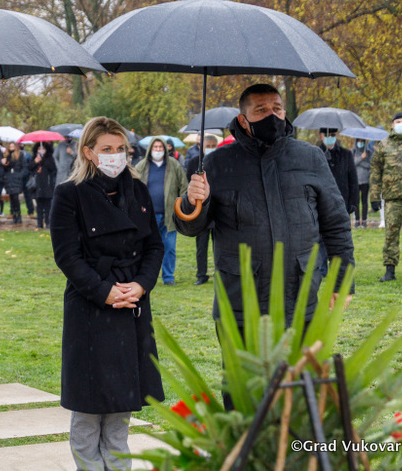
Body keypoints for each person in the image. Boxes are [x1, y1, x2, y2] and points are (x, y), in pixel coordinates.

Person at [176, 84, 354, 408]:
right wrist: (192, 201)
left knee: (301, 398)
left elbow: (336, 223)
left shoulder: (310, 158)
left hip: (301, 298)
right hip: (240, 303)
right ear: (243, 120)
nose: (272, 115)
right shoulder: (216, 164)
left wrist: (343, 280)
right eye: (261, 110)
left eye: (277, 108)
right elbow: (191, 227)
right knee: (243, 398)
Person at [50, 116, 164, 471]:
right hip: (91, 307)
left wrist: (141, 285)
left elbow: (154, 246)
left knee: (121, 406)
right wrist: (105, 292)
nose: (116, 155)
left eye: (121, 148)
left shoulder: (138, 191)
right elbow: (67, 256)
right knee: (88, 408)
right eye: (107, 149)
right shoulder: (69, 194)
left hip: (131, 303)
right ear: (88, 152)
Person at [369, 112, 402, 282]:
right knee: (391, 234)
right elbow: (375, 171)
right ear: (392, 124)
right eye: (398, 121)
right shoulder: (384, 145)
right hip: (392, 198)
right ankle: (389, 270)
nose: (401, 124)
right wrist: (374, 196)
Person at [135, 136, 188, 286]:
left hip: (169, 215)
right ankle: (144, 275)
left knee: (169, 247)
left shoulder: (174, 165)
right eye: (155, 147)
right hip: (146, 216)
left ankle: (168, 277)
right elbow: (132, 185)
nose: (157, 150)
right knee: (145, 247)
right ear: (150, 149)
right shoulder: (142, 165)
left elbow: (184, 186)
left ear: (165, 149)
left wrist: (180, 205)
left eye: (160, 147)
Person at [184, 134, 218, 285]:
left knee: (219, 245)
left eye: (213, 146)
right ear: (202, 147)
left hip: (218, 209)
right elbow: (189, 181)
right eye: (208, 146)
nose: (210, 149)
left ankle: (219, 272)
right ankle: (201, 274)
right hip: (201, 209)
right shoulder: (194, 162)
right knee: (201, 246)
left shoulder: (220, 161)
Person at [28, 141, 57, 228]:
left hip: (47, 184)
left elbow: (53, 169)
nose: (41, 150)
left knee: (47, 205)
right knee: (39, 205)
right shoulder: (34, 157)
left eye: (43, 148)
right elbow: (29, 168)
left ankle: (47, 222)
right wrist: (35, 162)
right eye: (39, 148)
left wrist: (43, 160)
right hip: (37, 185)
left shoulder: (49, 158)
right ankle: (39, 223)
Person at [2, 142, 25, 224]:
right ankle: (14, 215)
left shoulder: (20, 155)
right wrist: (4, 164)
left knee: (15, 197)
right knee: (11, 198)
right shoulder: (6, 156)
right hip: (9, 178)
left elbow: (24, 167)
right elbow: (5, 169)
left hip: (17, 178)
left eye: (13, 146)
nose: (11, 148)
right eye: (10, 146)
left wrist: (20, 175)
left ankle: (18, 215)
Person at [353, 138, 373, 228]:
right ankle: (357, 220)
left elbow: (370, 165)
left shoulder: (368, 152)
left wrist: (359, 161)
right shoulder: (352, 152)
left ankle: (364, 220)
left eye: (362, 141)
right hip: (355, 181)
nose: (360, 143)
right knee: (356, 202)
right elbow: (352, 164)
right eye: (359, 141)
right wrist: (361, 158)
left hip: (365, 180)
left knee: (364, 201)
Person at [20, 144, 35, 218]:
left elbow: (30, 165)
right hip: (17, 177)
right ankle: (13, 212)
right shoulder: (14, 154)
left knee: (28, 195)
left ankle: (31, 212)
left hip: (26, 177)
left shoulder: (28, 154)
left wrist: (30, 174)